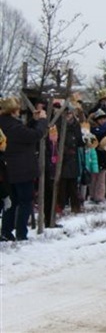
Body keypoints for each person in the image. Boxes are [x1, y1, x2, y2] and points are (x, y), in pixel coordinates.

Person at [0, 97, 48, 241]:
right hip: (21, 169)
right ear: (14, 110)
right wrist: (42, 121)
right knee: (25, 201)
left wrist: (33, 121)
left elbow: (23, 133)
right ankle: (21, 233)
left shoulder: (5, 124)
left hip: (7, 168)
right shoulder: (13, 126)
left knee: (11, 201)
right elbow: (34, 135)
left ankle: (6, 231)